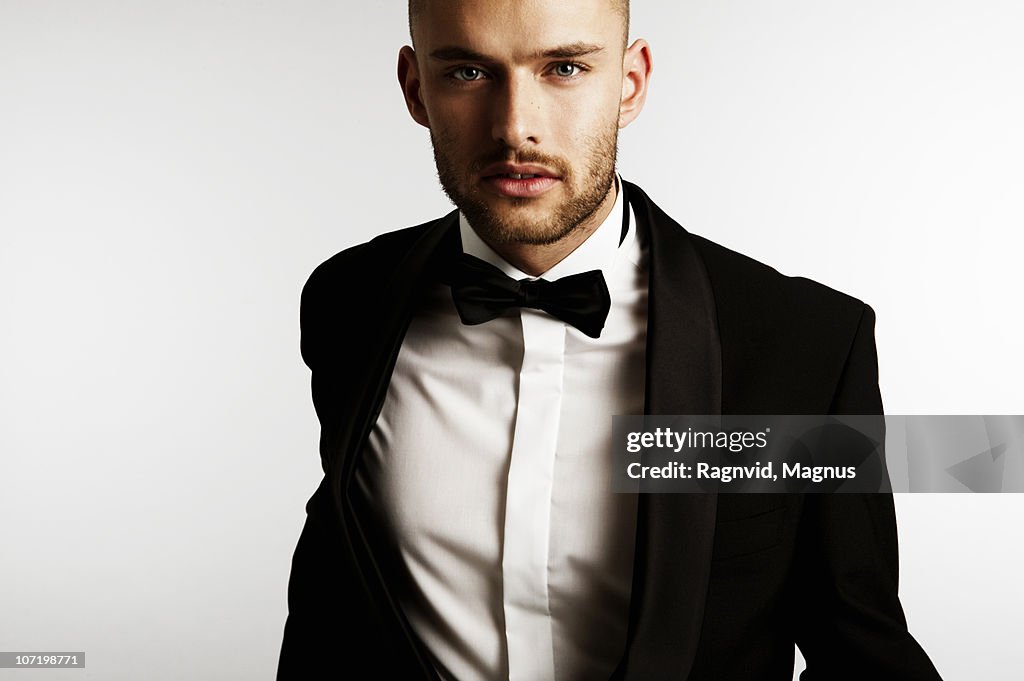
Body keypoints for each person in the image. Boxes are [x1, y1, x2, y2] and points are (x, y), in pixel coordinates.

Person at [277, 1, 942, 679]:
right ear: (416, 89)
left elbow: (863, 653)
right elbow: (335, 592)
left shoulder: (805, 344)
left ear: (630, 83)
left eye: (564, 67)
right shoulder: (348, 301)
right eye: (470, 72)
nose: (516, 128)